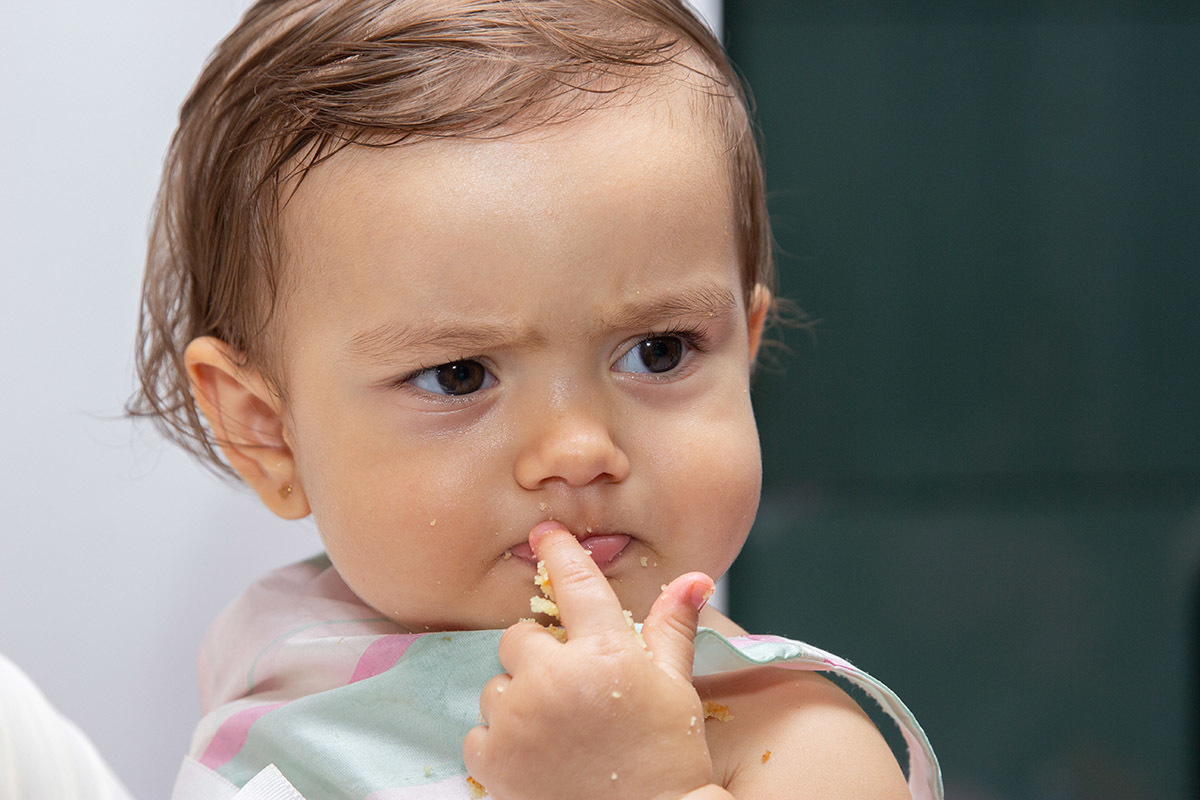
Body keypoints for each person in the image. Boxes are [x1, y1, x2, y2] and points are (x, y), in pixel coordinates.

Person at [129, 1, 943, 798]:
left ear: (747, 349)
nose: (579, 447)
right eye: (460, 376)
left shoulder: (793, 741)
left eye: (658, 353)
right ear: (267, 431)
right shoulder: (283, 659)